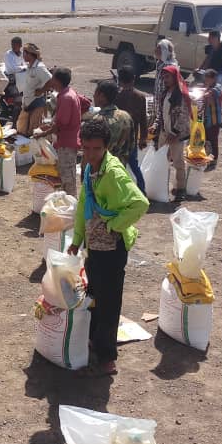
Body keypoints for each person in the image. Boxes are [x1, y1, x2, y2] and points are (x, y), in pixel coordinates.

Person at [68, 116, 150, 376]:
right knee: (94, 294)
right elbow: (83, 204)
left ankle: (107, 357)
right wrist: (77, 239)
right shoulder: (91, 168)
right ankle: (95, 340)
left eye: (96, 149)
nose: (90, 154)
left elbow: (140, 204)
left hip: (113, 249)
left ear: (106, 147)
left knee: (109, 301)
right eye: (87, 148)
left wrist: (114, 226)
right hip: (95, 246)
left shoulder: (113, 173)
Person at [34, 67, 83, 196]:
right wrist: (48, 126)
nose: (51, 81)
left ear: (57, 80)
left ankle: (70, 206)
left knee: (67, 177)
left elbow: (61, 124)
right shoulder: (68, 93)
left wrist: (42, 134)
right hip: (67, 140)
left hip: (67, 142)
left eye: (52, 79)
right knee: (65, 175)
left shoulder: (66, 97)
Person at [157, 65, 191, 202]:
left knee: (178, 163)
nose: (165, 79)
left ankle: (181, 189)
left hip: (176, 134)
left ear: (174, 77)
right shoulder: (165, 93)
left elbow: (184, 116)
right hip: (164, 132)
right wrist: (156, 126)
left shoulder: (180, 95)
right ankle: (162, 187)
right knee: (162, 160)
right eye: (164, 77)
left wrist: (175, 133)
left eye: (168, 77)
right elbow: (162, 113)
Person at [115, 68, 148, 192]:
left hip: (118, 138)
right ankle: (141, 190)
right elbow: (143, 120)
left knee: (118, 166)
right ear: (133, 79)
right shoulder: (140, 96)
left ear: (120, 80)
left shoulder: (117, 96)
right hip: (132, 138)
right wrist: (143, 138)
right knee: (134, 165)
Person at [93, 80, 135, 166]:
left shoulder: (98, 120)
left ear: (102, 96)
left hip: (102, 168)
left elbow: (92, 149)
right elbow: (131, 145)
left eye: (95, 93)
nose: (93, 96)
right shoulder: (126, 116)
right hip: (120, 166)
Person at [18, 43, 53, 136]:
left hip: (36, 102)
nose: (23, 55)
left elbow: (51, 80)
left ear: (30, 54)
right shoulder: (30, 66)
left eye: (24, 53)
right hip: (27, 101)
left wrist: (41, 91)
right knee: (23, 129)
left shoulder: (39, 67)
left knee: (34, 131)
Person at [201, 69, 222, 170]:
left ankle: (213, 160)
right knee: (206, 139)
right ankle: (207, 158)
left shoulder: (217, 88)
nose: (206, 80)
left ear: (213, 78)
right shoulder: (209, 87)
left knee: (213, 140)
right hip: (207, 119)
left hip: (214, 120)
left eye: (208, 78)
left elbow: (210, 94)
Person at [153, 37, 178, 109]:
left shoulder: (170, 67)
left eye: (159, 48)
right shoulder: (159, 63)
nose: (155, 50)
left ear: (165, 51)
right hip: (158, 100)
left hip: (166, 102)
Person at [3, 36, 27, 107]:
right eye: (12, 45)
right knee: (17, 98)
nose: (13, 47)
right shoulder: (8, 54)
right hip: (11, 77)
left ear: (20, 45)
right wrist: (23, 68)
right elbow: (12, 69)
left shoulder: (23, 54)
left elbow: (26, 65)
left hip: (21, 77)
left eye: (15, 45)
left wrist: (23, 68)